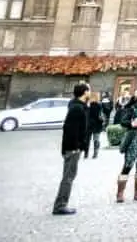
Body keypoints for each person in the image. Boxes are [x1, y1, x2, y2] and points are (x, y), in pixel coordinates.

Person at [52, 81, 90, 216]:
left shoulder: (79, 106)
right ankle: (60, 206)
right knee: (68, 177)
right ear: (85, 92)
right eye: (89, 90)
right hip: (72, 149)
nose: (90, 93)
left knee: (69, 176)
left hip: (74, 148)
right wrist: (75, 147)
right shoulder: (77, 108)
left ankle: (61, 204)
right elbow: (70, 130)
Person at [86, 91, 107, 159]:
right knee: (96, 139)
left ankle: (86, 153)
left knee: (87, 139)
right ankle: (95, 153)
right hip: (97, 124)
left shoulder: (88, 105)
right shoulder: (99, 105)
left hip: (89, 124)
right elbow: (102, 114)